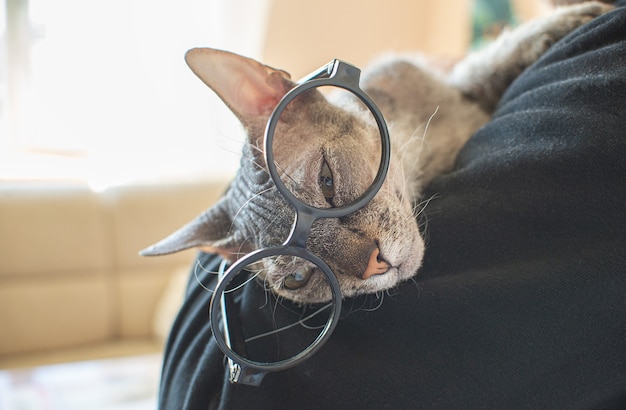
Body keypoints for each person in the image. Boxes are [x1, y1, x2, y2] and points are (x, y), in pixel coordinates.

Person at [158, 3, 626, 408]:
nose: (365, 263)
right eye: (299, 275)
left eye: (327, 183)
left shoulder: (399, 82)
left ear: (288, 100)